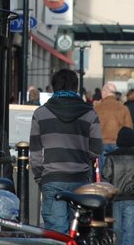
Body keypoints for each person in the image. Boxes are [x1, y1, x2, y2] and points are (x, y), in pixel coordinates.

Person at [29, 68, 102, 236]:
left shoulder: (40, 113)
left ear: (54, 87)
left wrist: (41, 177)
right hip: (80, 179)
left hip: (52, 178)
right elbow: (96, 150)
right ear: (76, 87)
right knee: (78, 234)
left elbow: (35, 152)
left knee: (57, 235)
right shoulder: (90, 113)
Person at [94, 82, 132, 170]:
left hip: (101, 142)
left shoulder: (97, 108)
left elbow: (92, 127)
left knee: (103, 171)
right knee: (116, 171)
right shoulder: (123, 108)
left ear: (104, 92)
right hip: (118, 143)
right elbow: (129, 128)